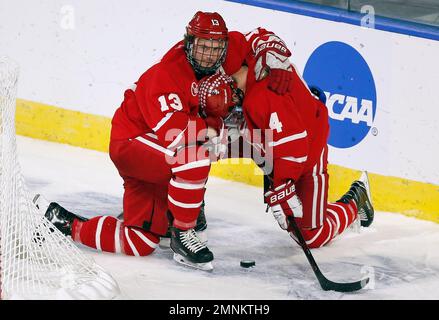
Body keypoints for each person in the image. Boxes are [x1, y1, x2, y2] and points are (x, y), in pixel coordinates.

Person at [33, 11, 296, 271]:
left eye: (216, 48)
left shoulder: (225, 55)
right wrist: (220, 129)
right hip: (133, 142)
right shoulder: (167, 74)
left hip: (157, 153)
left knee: (140, 243)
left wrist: (276, 60)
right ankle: (184, 232)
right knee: (193, 158)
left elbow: (259, 36)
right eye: (203, 47)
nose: (210, 54)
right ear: (188, 43)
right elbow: (177, 135)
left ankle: (58, 221)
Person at [197, 61, 374, 250]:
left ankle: (356, 200)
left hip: (307, 148)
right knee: (198, 144)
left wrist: (282, 186)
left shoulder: (269, 92)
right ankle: (188, 212)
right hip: (265, 141)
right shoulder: (225, 70)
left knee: (310, 237)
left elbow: (294, 149)